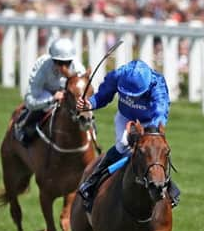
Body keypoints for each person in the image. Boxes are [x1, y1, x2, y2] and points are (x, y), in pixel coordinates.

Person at [76, 59, 180, 211]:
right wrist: (90, 103)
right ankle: (94, 179)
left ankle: (169, 186)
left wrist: (150, 132)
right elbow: (103, 95)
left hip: (150, 122)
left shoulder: (157, 84)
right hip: (125, 117)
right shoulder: (118, 75)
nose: (133, 98)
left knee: (154, 149)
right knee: (123, 145)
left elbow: (161, 110)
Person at [15, 37, 86, 146]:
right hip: (45, 93)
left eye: (67, 63)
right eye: (59, 62)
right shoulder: (42, 67)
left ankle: (93, 137)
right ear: (52, 59)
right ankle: (24, 127)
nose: (63, 67)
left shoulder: (79, 70)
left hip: (68, 96)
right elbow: (30, 101)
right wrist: (51, 100)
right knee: (46, 98)